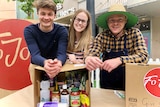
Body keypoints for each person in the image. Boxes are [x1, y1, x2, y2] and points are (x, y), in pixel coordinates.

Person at [85, 4, 149, 90]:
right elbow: (93, 52)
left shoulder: (134, 33)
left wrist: (120, 60)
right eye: (112, 20)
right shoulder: (102, 36)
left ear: (125, 21)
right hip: (107, 84)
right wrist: (90, 58)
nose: (115, 23)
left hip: (129, 83)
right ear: (107, 22)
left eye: (120, 20)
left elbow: (143, 56)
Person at [24, 0, 68, 81]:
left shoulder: (62, 31)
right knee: (37, 93)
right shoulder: (29, 31)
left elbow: (62, 53)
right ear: (38, 14)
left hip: (57, 66)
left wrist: (58, 62)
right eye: (43, 14)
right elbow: (35, 55)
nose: (46, 17)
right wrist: (45, 62)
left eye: (50, 14)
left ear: (54, 15)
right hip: (37, 65)